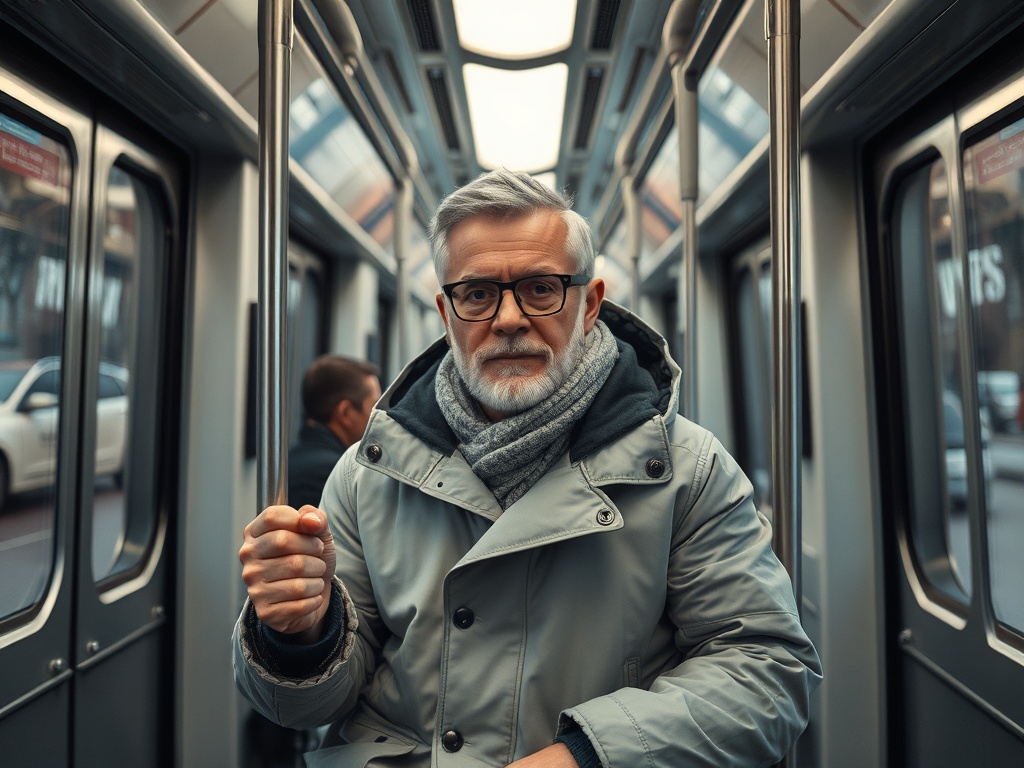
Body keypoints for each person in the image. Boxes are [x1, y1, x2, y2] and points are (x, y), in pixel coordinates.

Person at [234, 169, 822, 767]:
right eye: (478, 293)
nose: (509, 318)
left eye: (541, 288)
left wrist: (588, 757)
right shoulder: (368, 475)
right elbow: (308, 705)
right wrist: (304, 635)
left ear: (589, 304)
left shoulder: (685, 470)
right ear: (446, 311)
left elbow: (766, 673)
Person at [288, 355, 382, 510]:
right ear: (345, 413)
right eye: (375, 405)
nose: (380, 415)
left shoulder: (295, 457)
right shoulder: (334, 473)